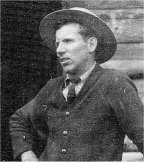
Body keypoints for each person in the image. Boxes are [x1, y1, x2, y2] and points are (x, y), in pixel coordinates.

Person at [9, 7, 143, 161]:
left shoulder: (114, 83)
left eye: (68, 41)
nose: (59, 50)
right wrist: (27, 155)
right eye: (57, 43)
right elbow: (18, 120)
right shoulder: (52, 88)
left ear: (91, 45)